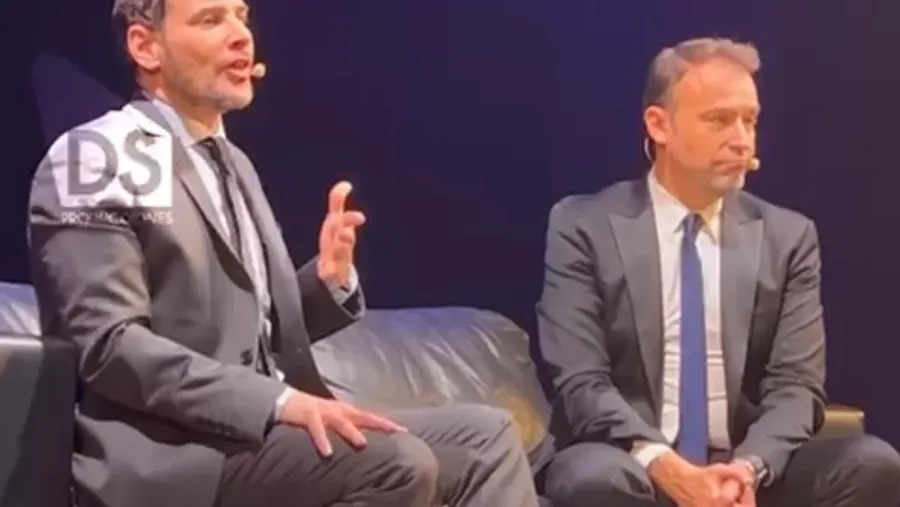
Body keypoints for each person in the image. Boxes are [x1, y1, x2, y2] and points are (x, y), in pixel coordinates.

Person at [26, 1, 541, 507]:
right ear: (146, 46)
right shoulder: (94, 155)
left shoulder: (234, 163)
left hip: (251, 432)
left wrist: (326, 283)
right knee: (395, 463)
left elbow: (248, 338)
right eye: (211, 19)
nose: (241, 35)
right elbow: (109, 346)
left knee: (486, 438)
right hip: (170, 451)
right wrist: (278, 401)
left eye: (241, 16)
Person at [534, 36, 900, 507]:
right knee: (594, 480)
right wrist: (665, 464)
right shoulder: (583, 225)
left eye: (750, 120)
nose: (742, 140)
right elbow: (581, 381)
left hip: (743, 464)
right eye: (719, 120)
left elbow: (796, 387)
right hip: (630, 457)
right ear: (658, 125)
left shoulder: (788, 237)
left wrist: (747, 470)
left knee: (872, 464)